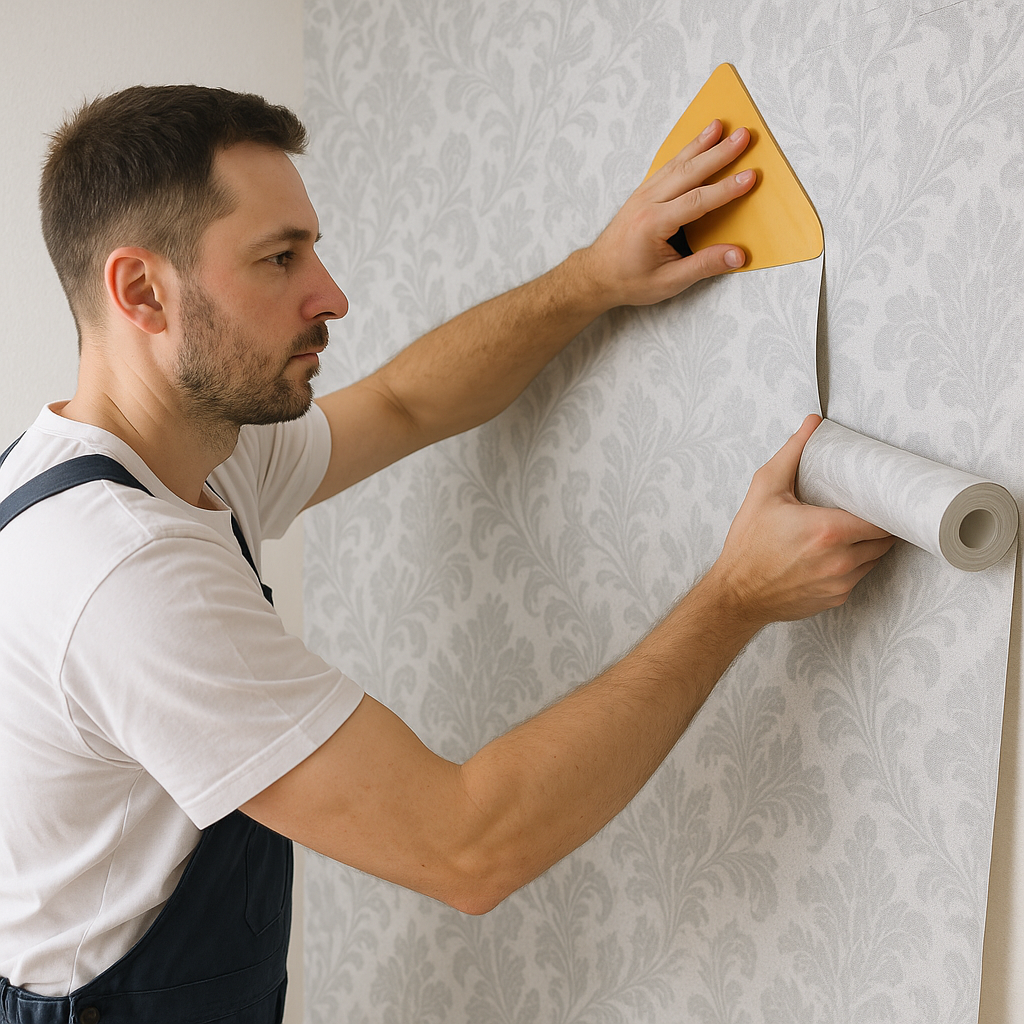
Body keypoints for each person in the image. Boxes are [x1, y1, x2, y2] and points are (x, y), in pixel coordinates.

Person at [0, 85, 893, 1022]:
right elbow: (469, 846)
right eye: (280, 257)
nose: (332, 294)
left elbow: (402, 405)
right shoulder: (122, 578)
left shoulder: (170, 452)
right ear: (142, 290)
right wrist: (736, 596)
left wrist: (594, 277)